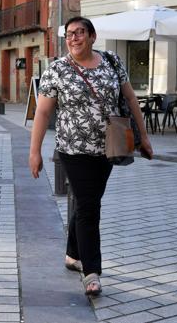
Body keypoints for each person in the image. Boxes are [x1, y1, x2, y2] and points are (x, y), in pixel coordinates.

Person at [28, 16, 153, 296]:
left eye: (80, 33)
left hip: (109, 146)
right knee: (88, 207)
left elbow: (130, 98)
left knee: (88, 202)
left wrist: (143, 137)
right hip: (74, 149)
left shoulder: (111, 61)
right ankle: (91, 271)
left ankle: (73, 254)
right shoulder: (57, 70)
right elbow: (43, 112)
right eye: (69, 34)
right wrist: (34, 151)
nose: (74, 38)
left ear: (92, 36)